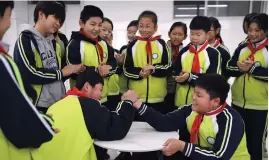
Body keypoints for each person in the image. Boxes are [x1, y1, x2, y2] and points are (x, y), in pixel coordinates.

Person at [133, 74, 250, 160]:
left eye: (199, 95)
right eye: (194, 92)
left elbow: (218, 157)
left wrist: (182, 146)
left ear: (215, 101)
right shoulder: (191, 109)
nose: (193, 97)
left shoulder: (230, 120)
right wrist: (138, 104)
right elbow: (164, 123)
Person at [31, 68, 138, 160]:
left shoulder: (57, 105)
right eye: (100, 89)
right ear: (87, 87)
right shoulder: (87, 106)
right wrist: (128, 102)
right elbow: (117, 128)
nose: (101, 95)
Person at [0, 1, 56, 159]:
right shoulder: (22, 44)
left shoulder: (54, 42)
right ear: (41, 15)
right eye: (8, 16)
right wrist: (46, 125)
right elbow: (18, 117)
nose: (10, 23)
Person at [13, 1, 84, 113]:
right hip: (36, 105)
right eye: (55, 18)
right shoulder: (26, 39)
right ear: (41, 15)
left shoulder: (54, 42)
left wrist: (73, 70)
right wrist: (61, 73)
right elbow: (28, 73)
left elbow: (58, 74)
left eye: (60, 21)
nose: (58, 24)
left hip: (57, 102)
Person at [226, 13, 268, 160]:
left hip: (260, 106)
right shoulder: (242, 48)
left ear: (266, 30)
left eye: (257, 30)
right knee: (239, 142)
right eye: (250, 30)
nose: (252, 33)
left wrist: (252, 69)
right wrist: (240, 69)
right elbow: (228, 68)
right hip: (238, 104)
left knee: (256, 145)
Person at [66, 5, 117, 106]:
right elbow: (73, 71)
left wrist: (108, 68)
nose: (96, 29)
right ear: (81, 23)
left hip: (103, 98)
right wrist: (97, 70)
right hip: (82, 99)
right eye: (93, 24)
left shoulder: (103, 43)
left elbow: (113, 62)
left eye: (99, 25)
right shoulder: (75, 44)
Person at [124, 10, 170, 115]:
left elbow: (168, 67)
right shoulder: (132, 45)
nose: (144, 29)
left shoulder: (162, 44)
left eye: (148, 26)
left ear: (155, 27)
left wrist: (154, 69)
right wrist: (139, 73)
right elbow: (126, 69)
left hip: (158, 98)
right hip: (135, 98)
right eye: (141, 26)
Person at [173, 16, 221, 108]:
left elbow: (213, 79)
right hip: (180, 102)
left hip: (202, 105)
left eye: (198, 35)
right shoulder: (184, 51)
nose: (194, 37)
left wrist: (190, 77)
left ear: (207, 35)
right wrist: (179, 76)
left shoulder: (213, 53)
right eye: (192, 34)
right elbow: (175, 71)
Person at [99, 17, 121, 111]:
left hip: (111, 91)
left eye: (109, 31)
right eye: (104, 30)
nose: (106, 33)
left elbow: (114, 65)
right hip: (95, 92)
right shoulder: (84, 44)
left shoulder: (111, 49)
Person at [165, 22, 187, 112]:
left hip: (178, 89)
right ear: (169, 34)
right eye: (174, 34)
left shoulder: (187, 51)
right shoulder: (162, 48)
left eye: (180, 34)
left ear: (185, 36)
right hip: (163, 88)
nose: (176, 37)